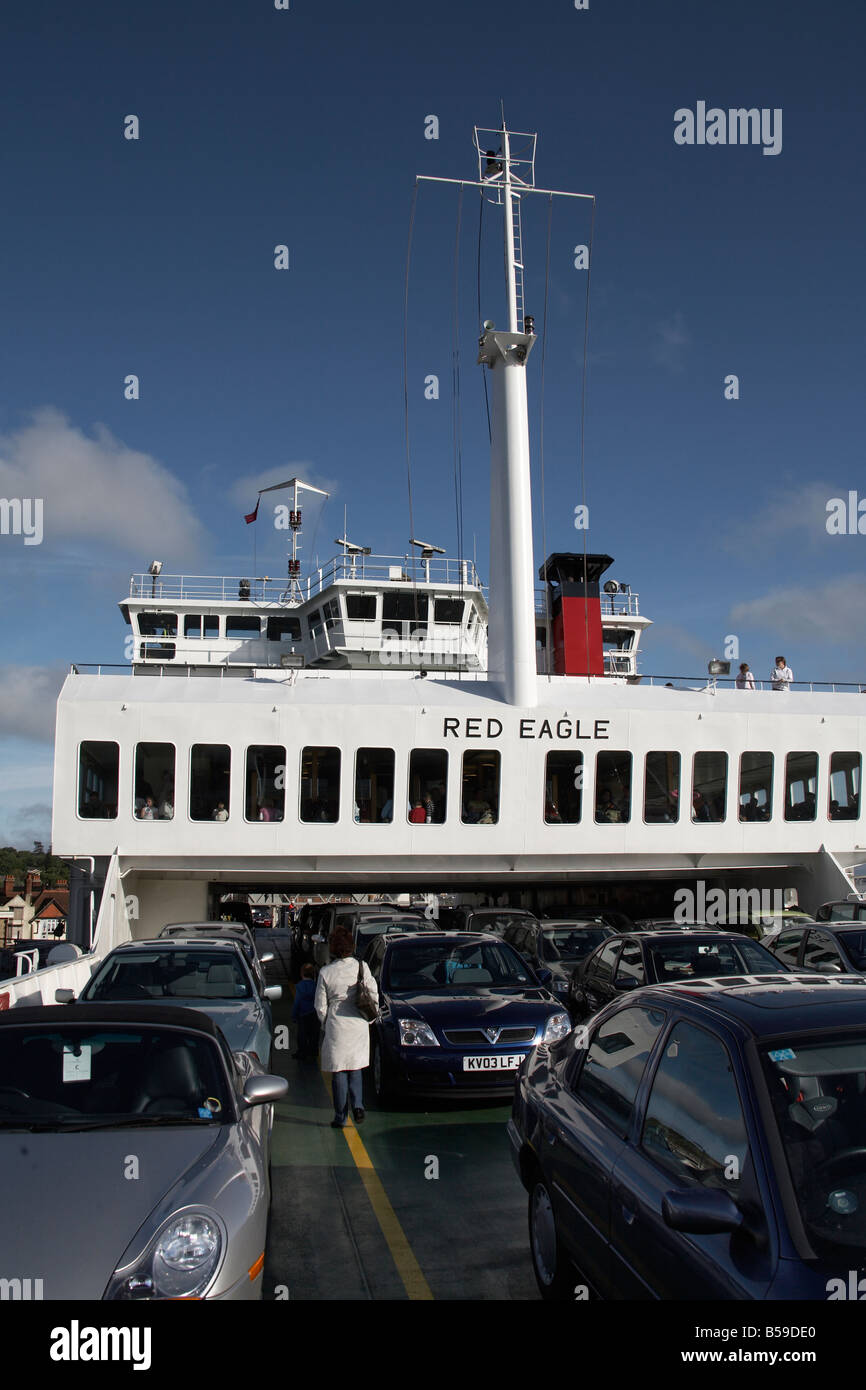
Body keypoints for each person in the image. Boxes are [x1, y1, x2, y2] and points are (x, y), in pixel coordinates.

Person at [314, 925, 378, 1127]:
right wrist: (370, 1018)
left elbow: (320, 1006)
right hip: (358, 1022)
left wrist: (326, 1024)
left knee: (339, 1071)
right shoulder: (362, 967)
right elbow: (373, 993)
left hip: (337, 1024)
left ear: (333, 948)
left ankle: (340, 1117)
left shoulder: (326, 972)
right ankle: (358, 1105)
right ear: (351, 946)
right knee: (356, 1067)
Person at [291, 964, 320, 1060]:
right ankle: (313, 1051)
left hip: (303, 1014)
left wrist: (294, 1015)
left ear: (301, 974)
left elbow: (297, 1001)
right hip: (314, 1013)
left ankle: (302, 1051)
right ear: (313, 975)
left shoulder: (299, 986)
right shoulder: (316, 986)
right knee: (314, 1033)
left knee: (302, 1034)